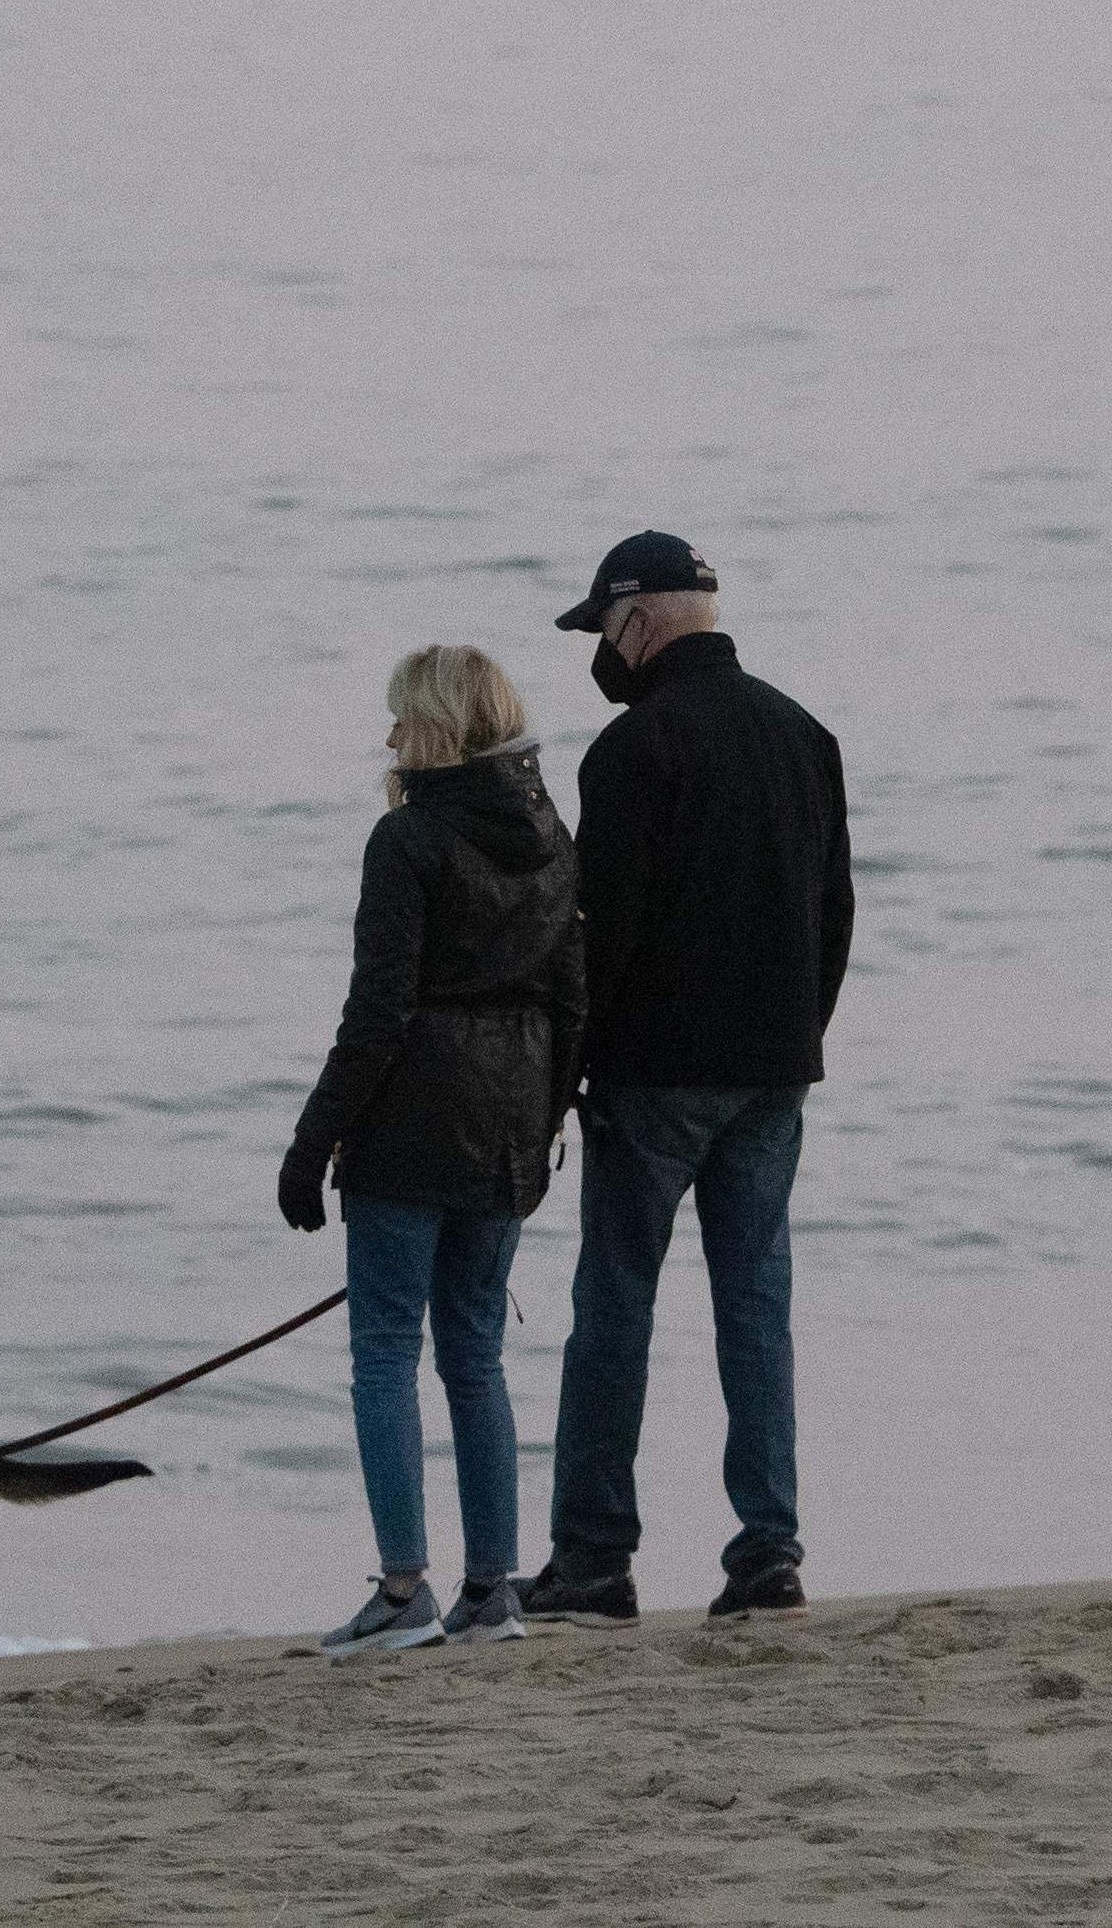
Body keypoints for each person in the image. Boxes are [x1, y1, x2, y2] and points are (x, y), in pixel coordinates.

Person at [517, 532, 854, 1629]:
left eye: (599, 630)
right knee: (756, 1308)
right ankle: (768, 1551)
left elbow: (599, 937)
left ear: (641, 620)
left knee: (613, 1306)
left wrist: (564, 1075)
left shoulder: (630, 753)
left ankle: (592, 1560)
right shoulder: (806, 735)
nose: (597, 653)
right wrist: (798, 1035)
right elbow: (835, 911)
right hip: (772, 1071)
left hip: (654, 1074)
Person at [281, 646, 586, 1654]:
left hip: (411, 1121)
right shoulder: (549, 832)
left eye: (399, 718)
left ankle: (404, 1587)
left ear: (436, 726)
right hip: (507, 1126)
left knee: (382, 1354)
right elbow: (571, 1003)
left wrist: (312, 1139)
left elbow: (376, 1014)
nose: (387, 737)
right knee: (475, 1357)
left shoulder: (405, 839)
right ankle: (491, 1591)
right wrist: (543, 1127)